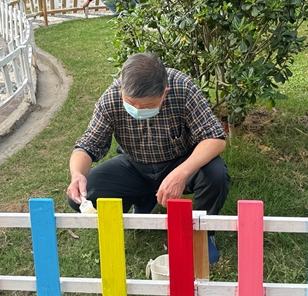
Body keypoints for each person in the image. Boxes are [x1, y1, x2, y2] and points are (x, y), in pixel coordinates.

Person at [67, 53, 229, 264]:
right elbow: (87, 145)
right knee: (82, 195)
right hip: (135, 165)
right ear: (122, 90)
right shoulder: (111, 98)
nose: (137, 110)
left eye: (146, 106)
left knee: (215, 174)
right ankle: (143, 197)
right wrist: (77, 174)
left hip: (180, 160)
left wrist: (180, 174)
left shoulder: (183, 88)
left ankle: (202, 232)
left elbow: (215, 139)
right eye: (131, 103)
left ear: (165, 93)